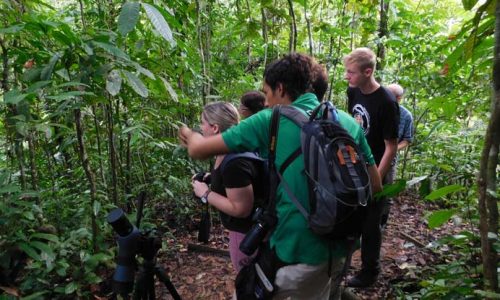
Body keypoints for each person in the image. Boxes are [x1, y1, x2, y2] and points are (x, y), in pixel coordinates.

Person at [180, 53, 382, 299]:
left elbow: (198, 150)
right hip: (341, 246)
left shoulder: (270, 119)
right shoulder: (348, 122)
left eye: (267, 93)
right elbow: (375, 185)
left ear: (281, 88)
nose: (265, 102)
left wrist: (189, 135)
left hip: (294, 249)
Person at [343, 47, 400, 288]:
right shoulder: (353, 91)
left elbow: (391, 147)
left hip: (376, 169)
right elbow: (352, 127)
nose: (347, 76)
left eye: (351, 72)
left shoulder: (387, 102)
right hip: (354, 165)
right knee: (349, 216)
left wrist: (378, 178)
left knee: (370, 223)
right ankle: (341, 265)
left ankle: (370, 271)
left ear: (368, 72)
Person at [191, 101, 266, 272]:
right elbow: (236, 181)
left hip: (247, 235)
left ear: (215, 128)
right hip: (245, 231)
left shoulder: (235, 161)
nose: (201, 128)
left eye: (203, 123)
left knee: (247, 284)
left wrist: (206, 193)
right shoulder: (229, 149)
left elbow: (241, 209)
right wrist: (211, 178)